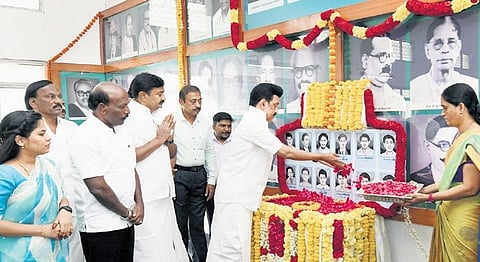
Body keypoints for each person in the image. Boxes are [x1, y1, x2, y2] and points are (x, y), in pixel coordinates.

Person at [207, 83, 345, 261]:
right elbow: (284, 151)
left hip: (238, 197)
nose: (277, 110)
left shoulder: (257, 123)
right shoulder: (252, 124)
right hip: (234, 198)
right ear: (263, 104)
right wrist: (320, 156)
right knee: (231, 251)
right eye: (275, 105)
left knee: (235, 249)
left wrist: (318, 157)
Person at [69, 82, 144, 261]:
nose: (128, 111)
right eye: (122, 106)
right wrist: (127, 212)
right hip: (100, 225)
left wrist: (139, 204)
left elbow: (130, 168)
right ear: (102, 108)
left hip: (126, 221)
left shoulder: (122, 130)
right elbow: (97, 187)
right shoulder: (84, 136)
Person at [405, 83, 480, 262]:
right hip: (451, 214)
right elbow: (452, 178)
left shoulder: (474, 139)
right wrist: (424, 190)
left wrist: (429, 199)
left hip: (463, 217)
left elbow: (470, 187)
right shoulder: (461, 136)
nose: (442, 113)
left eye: (445, 108)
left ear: (461, 107)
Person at [118, 73, 188, 261]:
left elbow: (170, 152)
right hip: (145, 195)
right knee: (148, 247)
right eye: (159, 94)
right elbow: (128, 157)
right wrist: (159, 139)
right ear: (143, 96)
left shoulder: (154, 116)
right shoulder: (129, 118)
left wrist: (168, 139)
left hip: (162, 192)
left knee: (167, 244)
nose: (163, 98)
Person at [24, 80, 84, 262]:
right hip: (43, 203)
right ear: (33, 103)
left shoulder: (72, 128)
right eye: (50, 97)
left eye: (59, 96)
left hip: (75, 200)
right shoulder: (27, 129)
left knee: (76, 251)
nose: (58, 101)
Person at [0, 110, 72, 261]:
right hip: (17, 255)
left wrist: (65, 211)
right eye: (41, 134)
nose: (48, 138)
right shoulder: (5, 175)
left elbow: (61, 196)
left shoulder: (49, 166)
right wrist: (42, 230)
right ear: (20, 140)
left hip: (54, 251)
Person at [173, 85, 217, 262]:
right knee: (180, 224)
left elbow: (209, 152)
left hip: (200, 176)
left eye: (200, 101)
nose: (197, 105)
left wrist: (212, 179)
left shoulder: (205, 122)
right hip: (179, 177)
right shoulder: (172, 121)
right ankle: (184, 259)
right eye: (193, 101)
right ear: (181, 102)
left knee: (198, 225)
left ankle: (203, 258)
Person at [410, 16, 478, 105]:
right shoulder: (415, 87)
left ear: (458, 47)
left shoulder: (474, 86)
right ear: (427, 50)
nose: (445, 50)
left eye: (451, 42)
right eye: (438, 43)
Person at [360, 35, 406, 110]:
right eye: (382, 56)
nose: (388, 63)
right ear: (365, 61)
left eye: (390, 56)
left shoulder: (399, 101)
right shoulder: (350, 96)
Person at [410, 115, 457, 185]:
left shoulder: (469, 177)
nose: (451, 152)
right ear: (428, 147)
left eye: (456, 144)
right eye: (443, 145)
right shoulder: (416, 180)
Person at [207, 112, 233, 236]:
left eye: (229, 126)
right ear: (213, 126)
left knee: (228, 223)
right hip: (211, 188)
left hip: (230, 189)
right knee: (213, 221)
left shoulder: (235, 143)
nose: (226, 129)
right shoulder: (207, 142)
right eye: (222, 126)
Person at [287, 43, 326, 113]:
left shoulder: (327, 107)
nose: (303, 77)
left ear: (318, 72)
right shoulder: (289, 109)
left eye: (309, 69)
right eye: (298, 70)